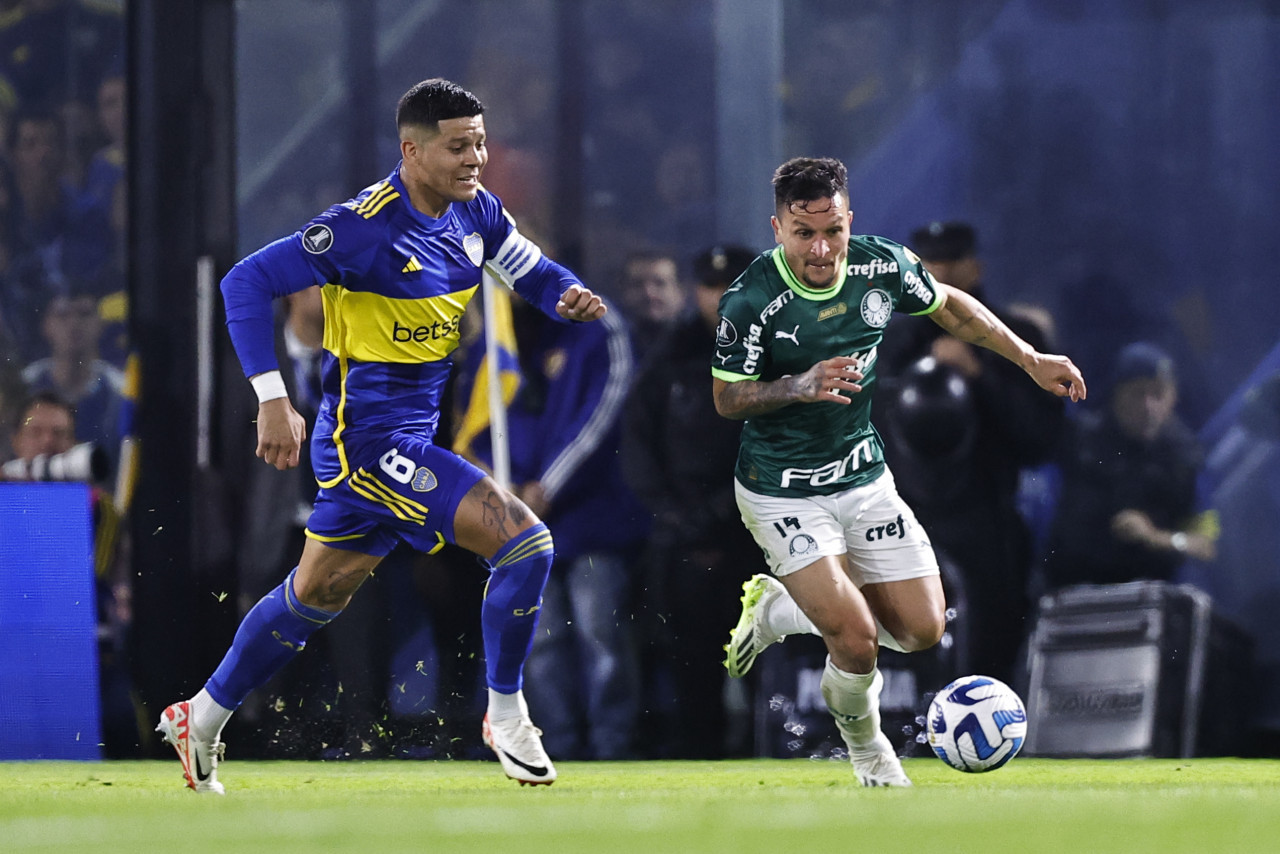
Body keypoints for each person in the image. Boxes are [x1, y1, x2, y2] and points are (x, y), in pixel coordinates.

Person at [155, 78, 607, 793]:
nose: (477, 159)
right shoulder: (361, 227)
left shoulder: (476, 213)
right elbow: (244, 282)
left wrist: (565, 294)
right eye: (459, 146)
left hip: (408, 441)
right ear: (412, 150)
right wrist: (272, 399)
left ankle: (201, 716)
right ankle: (507, 713)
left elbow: (531, 270)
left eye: (481, 143)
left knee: (316, 594)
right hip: (367, 444)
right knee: (525, 543)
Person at [712, 157, 1085, 786]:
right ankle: (869, 753)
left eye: (833, 229)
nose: (822, 248)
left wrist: (1029, 358)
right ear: (778, 229)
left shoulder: (881, 264)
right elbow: (728, 398)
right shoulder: (750, 301)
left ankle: (779, 612)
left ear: (849, 219)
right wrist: (797, 384)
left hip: (863, 480)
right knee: (855, 639)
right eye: (804, 233)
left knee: (921, 631)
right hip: (782, 491)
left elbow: (951, 309)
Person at [454, 289, 648, 760]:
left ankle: (612, 748)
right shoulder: (493, 342)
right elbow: (472, 425)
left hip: (590, 517)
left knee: (599, 633)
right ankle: (557, 746)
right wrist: (504, 492)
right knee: (538, 641)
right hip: (519, 523)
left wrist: (547, 487)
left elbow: (603, 413)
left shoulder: (597, 324)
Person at [874, 220, 1066, 686]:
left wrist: (981, 374)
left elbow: (1043, 438)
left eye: (949, 262)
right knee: (900, 658)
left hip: (986, 518)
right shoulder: (884, 344)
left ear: (974, 267)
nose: (937, 273)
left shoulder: (1017, 339)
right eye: (928, 263)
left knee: (991, 652)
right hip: (903, 519)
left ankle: (989, 743)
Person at [622, 243, 761, 758]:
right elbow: (638, 445)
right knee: (690, 666)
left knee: (769, 665)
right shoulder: (671, 355)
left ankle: (767, 757)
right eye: (711, 288)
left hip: (761, 539)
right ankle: (700, 763)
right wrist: (680, 521)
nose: (722, 300)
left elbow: (785, 445)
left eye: (734, 288)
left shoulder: (783, 349)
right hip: (682, 542)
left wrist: (725, 513)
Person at [1041, 342, 1215, 591]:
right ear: (1116, 394)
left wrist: (1155, 537)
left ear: (1173, 396)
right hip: (1074, 589)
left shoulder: (1186, 458)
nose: (1148, 407)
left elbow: (1206, 546)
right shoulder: (1079, 441)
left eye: (1158, 393)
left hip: (1153, 596)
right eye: (1137, 393)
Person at [617, 250, 685, 364]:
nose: (649, 293)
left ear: (681, 291)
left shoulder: (703, 346)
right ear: (624, 291)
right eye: (637, 284)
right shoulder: (608, 345)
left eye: (659, 283)